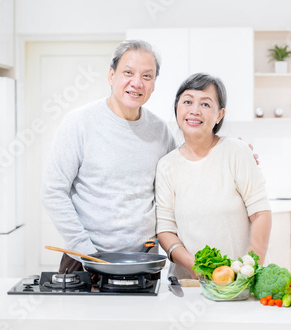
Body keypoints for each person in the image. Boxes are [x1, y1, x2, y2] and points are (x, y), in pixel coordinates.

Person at [41, 40, 177, 276]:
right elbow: (53, 191)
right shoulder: (79, 123)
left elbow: (182, 179)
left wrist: (225, 152)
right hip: (84, 260)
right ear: (111, 75)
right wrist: (87, 253)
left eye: (147, 76)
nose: (137, 83)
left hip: (143, 262)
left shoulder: (160, 130)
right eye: (128, 72)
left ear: (154, 84)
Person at [155, 73, 272, 279]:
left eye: (206, 104)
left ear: (220, 114)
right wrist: (196, 268)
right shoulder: (167, 166)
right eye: (187, 101)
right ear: (177, 109)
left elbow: (260, 213)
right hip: (190, 284)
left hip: (240, 282)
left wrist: (250, 269)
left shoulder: (237, 151)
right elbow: (165, 230)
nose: (194, 110)